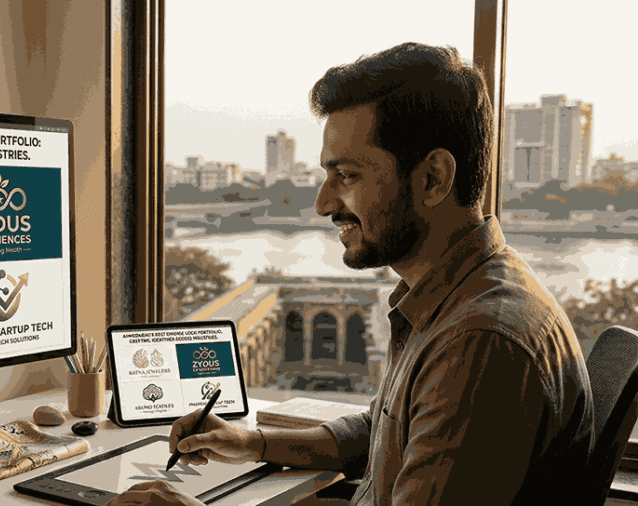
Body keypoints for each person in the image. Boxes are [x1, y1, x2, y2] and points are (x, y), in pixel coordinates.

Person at [108, 42, 593, 506]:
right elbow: (382, 431)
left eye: (347, 176)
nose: (322, 204)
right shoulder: (460, 294)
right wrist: (249, 442)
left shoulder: (480, 343)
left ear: (432, 179)